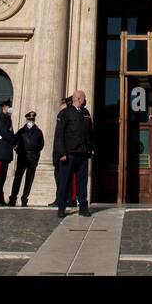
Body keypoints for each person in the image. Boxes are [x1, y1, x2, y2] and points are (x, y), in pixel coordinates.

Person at [56, 89, 94, 218]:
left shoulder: (86, 113)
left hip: (82, 153)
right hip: (69, 153)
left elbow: (90, 133)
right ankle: (61, 207)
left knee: (82, 182)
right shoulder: (65, 113)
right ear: (78, 99)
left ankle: (83, 207)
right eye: (84, 98)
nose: (85, 100)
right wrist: (61, 152)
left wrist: (91, 148)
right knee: (64, 182)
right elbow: (59, 134)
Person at [10, 110, 44, 206]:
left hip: (32, 158)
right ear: (27, 119)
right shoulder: (21, 131)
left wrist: (36, 155)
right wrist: (19, 152)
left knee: (29, 180)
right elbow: (15, 143)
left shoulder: (38, 132)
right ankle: (13, 198)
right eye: (29, 119)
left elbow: (41, 145)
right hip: (22, 157)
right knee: (18, 178)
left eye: (32, 119)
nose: (31, 121)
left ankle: (24, 198)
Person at [0, 99, 16, 207]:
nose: (10, 109)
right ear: (4, 108)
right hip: (1, 150)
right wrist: (15, 140)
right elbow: (5, 133)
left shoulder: (7, 119)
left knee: (3, 176)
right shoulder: (1, 119)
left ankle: (0, 198)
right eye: (8, 107)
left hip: (6, 151)